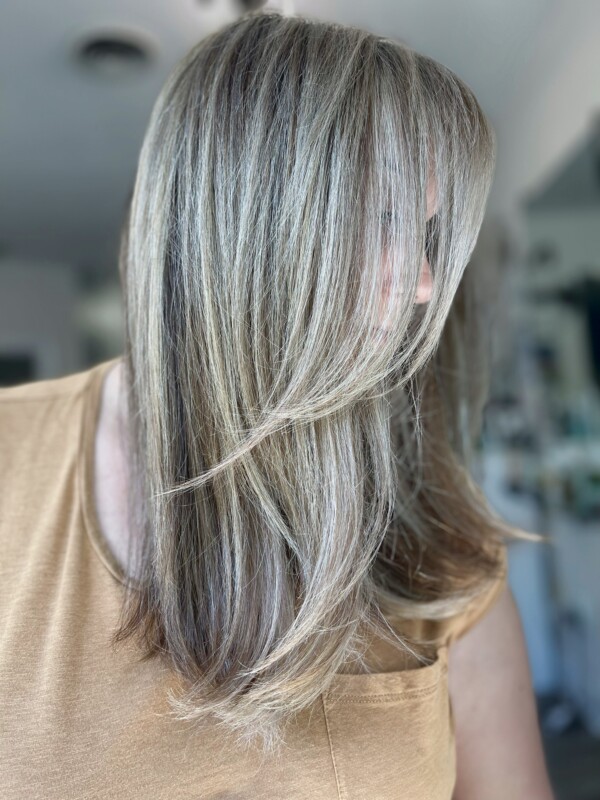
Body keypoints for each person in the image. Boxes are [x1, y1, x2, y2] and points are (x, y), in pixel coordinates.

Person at [0, 10, 555, 799]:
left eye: (426, 235)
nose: (424, 284)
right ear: (248, 223)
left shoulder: (434, 529)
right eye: (388, 219)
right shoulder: (13, 456)